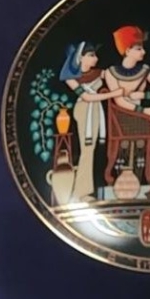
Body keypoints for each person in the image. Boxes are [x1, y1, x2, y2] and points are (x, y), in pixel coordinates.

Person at [103, 25, 150, 184]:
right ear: (127, 51)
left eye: (142, 48)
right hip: (123, 118)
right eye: (139, 48)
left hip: (141, 115)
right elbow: (119, 101)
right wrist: (144, 110)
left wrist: (144, 95)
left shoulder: (145, 70)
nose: (143, 52)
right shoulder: (110, 72)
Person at [60, 41, 106, 202]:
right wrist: (114, 93)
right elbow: (87, 97)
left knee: (89, 150)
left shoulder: (98, 73)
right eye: (91, 55)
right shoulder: (71, 79)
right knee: (86, 150)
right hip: (84, 110)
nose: (96, 58)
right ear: (80, 58)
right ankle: (79, 193)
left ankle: (83, 191)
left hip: (94, 110)